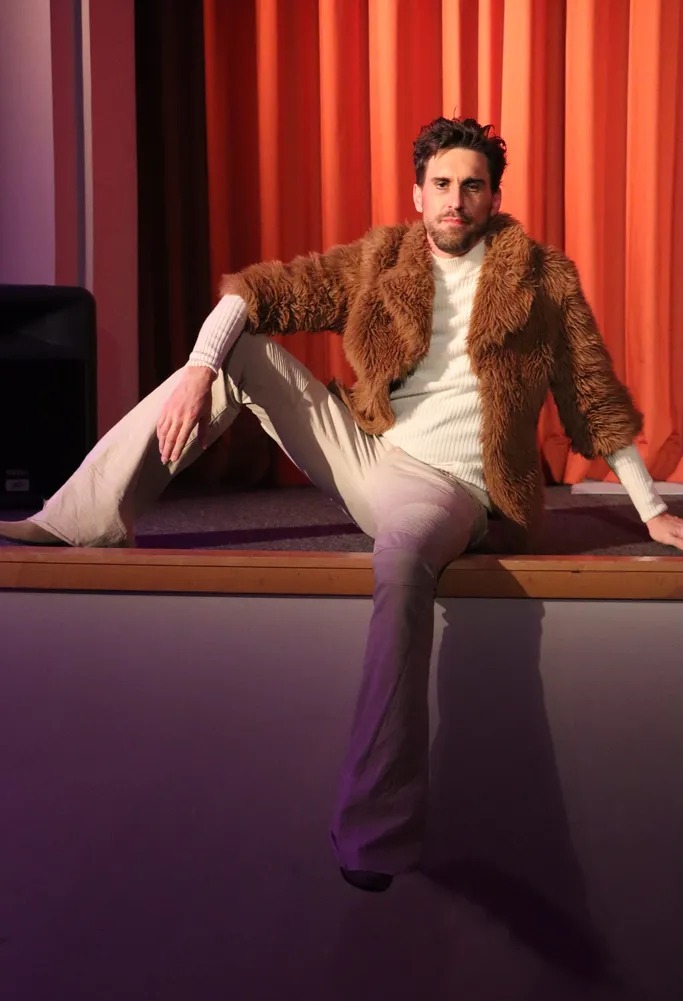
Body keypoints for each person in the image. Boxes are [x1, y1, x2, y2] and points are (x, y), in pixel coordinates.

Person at [3, 117, 683, 893]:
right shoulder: (382, 259)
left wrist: (649, 509)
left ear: (494, 197)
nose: (454, 200)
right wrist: (196, 368)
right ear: (416, 192)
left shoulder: (540, 278)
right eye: (440, 184)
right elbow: (258, 293)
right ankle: (76, 517)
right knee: (239, 353)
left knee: (402, 558)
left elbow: (591, 397)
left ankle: (376, 825)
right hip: (368, 453)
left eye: (470, 186)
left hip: (452, 486)